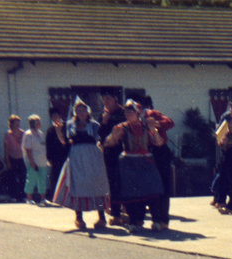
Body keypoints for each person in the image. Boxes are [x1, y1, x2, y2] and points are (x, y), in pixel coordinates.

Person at [104, 99, 166, 233]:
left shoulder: (146, 126)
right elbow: (108, 143)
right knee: (131, 193)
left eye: (131, 111)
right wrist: (113, 135)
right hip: (129, 162)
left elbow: (159, 142)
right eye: (126, 112)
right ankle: (135, 220)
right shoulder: (122, 127)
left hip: (146, 162)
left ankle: (156, 220)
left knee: (153, 190)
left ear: (137, 113)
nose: (128, 114)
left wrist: (153, 130)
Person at [52, 97, 109, 231]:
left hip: (92, 155)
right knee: (77, 184)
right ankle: (79, 218)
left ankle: (101, 217)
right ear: (75, 112)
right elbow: (64, 141)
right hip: (76, 155)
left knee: (96, 184)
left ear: (88, 111)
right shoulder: (70, 125)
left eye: (83, 110)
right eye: (78, 110)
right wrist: (58, 131)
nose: (81, 113)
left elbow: (100, 139)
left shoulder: (94, 124)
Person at [139, 95, 175, 231]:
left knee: (163, 186)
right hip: (144, 153)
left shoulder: (152, 114)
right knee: (150, 188)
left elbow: (170, 122)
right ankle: (154, 219)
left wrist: (155, 124)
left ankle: (163, 220)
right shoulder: (132, 118)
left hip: (160, 152)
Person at [98, 91, 125, 225]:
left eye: (108, 98)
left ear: (115, 99)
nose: (105, 102)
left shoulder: (123, 113)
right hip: (109, 153)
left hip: (124, 151)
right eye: (103, 99)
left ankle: (127, 212)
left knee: (125, 182)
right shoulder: (103, 115)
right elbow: (100, 135)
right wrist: (104, 121)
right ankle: (115, 214)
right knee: (113, 183)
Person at [22, 114, 49, 205]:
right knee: (31, 179)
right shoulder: (28, 134)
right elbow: (28, 149)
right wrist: (32, 162)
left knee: (42, 180)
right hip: (33, 161)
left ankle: (43, 199)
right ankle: (29, 199)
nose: (39, 123)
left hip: (42, 161)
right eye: (37, 122)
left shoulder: (41, 133)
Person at [45, 109, 69, 202]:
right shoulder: (50, 130)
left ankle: (66, 197)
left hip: (65, 155)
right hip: (55, 157)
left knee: (66, 177)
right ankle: (54, 197)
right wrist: (48, 158)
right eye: (53, 117)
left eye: (57, 116)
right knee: (55, 177)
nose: (55, 118)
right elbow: (48, 145)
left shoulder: (66, 127)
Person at [4, 114, 26, 201]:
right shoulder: (8, 134)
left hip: (22, 158)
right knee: (12, 178)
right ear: (11, 124)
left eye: (18, 123)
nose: (18, 125)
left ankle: (22, 196)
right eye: (16, 123)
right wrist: (7, 161)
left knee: (23, 177)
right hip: (12, 158)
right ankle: (13, 196)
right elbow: (6, 149)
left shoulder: (23, 133)